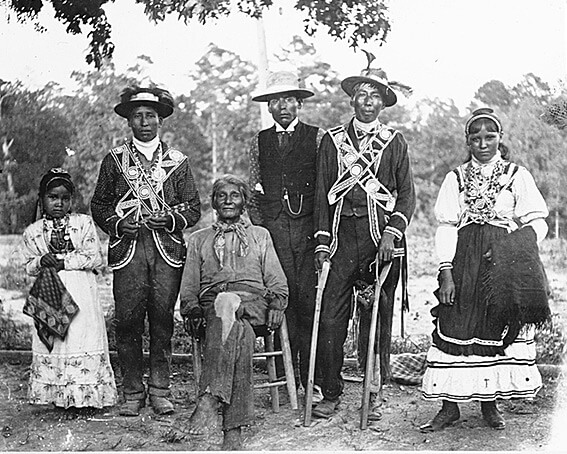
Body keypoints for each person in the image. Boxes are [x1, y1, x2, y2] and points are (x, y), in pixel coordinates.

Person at [420, 108, 550, 432]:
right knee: (456, 324)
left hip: (501, 264)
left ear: (500, 138)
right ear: (467, 140)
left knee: (493, 329)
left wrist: (512, 246)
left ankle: (489, 405)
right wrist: (445, 271)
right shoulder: (456, 177)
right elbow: (447, 226)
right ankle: (449, 407)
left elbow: (538, 220)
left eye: (489, 136)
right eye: (475, 137)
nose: (482, 143)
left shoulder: (516, 175)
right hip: (464, 262)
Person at [312, 65, 416, 419]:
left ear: (383, 103)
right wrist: (322, 243)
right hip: (340, 243)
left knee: (376, 320)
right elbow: (322, 196)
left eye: (375, 96)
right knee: (330, 319)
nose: (368, 102)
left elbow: (407, 198)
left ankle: (372, 393)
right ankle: (331, 391)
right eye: (362, 94)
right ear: (352, 99)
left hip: (379, 244)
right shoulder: (332, 140)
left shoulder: (395, 141)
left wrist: (392, 233)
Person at [91, 87, 201, 416]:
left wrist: (169, 217)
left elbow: (194, 208)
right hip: (128, 250)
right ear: (128, 121)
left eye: (150, 116)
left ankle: (160, 390)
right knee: (127, 322)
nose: (144, 122)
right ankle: (131, 392)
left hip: (166, 250)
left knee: (163, 320)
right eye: (137, 116)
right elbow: (99, 204)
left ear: (161, 120)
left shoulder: (178, 163)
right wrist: (116, 224)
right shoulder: (114, 160)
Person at [180, 175, 288, 451]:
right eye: (222, 196)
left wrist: (276, 303)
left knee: (228, 303)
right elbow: (190, 286)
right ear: (213, 203)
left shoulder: (260, 235)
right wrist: (191, 309)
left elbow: (277, 280)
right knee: (240, 333)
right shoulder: (198, 239)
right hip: (214, 310)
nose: (228, 201)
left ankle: (209, 397)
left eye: (235, 196)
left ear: (244, 202)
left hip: (254, 304)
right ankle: (233, 430)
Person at [249, 70, 324, 397]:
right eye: (276, 101)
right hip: (274, 232)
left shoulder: (318, 138)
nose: (282, 107)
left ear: (299, 104)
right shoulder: (259, 141)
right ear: (268, 106)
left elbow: (326, 187)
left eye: (289, 100)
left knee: (308, 302)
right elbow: (253, 188)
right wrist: (260, 228)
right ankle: (284, 380)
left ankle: (312, 379)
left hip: (308, 230)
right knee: (282, 300)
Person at [22, 168, 118, 411]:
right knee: (55, 340)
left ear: (72, 200)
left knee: (80, 336)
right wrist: (41, 261)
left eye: (65, 198)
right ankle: (58, 395)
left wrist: (64, 262)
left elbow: (95, 258)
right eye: (52, 197)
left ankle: (83, 398)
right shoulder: (33, 232)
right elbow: (28, 266)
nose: (59, 203)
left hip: (80, 289)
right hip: (48, 291)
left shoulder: (83, 223)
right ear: (42, 199)